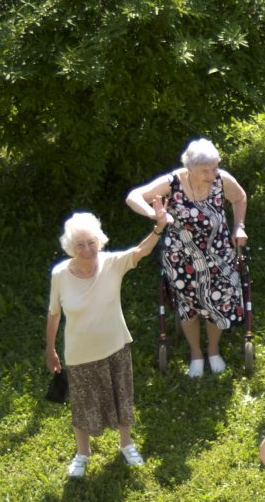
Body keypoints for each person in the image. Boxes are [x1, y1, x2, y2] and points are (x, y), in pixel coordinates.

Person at [46, 207, 169, 478]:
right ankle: (82, 454)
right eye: (80, 244)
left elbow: (140, 251)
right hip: (79, 352)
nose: (87, 249)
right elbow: (54, 313)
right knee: (82, 403)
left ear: (99, 242)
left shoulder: (112, 263)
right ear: (70, 247)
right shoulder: (60, 275)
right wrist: (50, 348)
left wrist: (159, 227)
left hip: (115, 345)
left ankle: (126, 444)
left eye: (91, 242)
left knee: (122, 397)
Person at [125, 138, 249, 378]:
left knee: (216, 305)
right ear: (190, 168)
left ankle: (213, 350)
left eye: (214, 168)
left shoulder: (222, 180)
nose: (212, 174)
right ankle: (195, 353)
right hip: (182, 259)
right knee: (188, 308)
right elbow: (133, 197)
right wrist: (154, 213)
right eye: (206, 171)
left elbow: (240, 197)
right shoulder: (172, 182)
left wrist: (239, 226)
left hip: (219, 256)